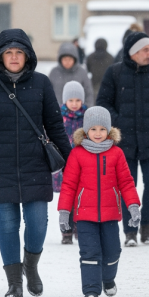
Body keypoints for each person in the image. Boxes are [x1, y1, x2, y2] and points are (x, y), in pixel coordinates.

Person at [0, 28, 72, 297]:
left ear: (27, 56)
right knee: (8, 225)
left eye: (19, 52)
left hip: (35, 164)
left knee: (37, 224)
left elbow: (56, 127)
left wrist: (72, 161)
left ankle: (31, 266)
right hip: (0, 166)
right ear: (0, 56)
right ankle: (14, 283)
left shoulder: (42, 84)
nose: (13, 57)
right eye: (8, 52)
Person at [97, 31, 149, 246]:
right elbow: (103, 102)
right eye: (145, 49)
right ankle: (130, 229)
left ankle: (146, 225)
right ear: (133, 52)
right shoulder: (114, 73)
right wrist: (118, 122)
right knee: (127, 187)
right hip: (124, 142)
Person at [58, 106, 141, 297]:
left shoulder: (117, 154)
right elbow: (68, 184)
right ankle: (91, 290)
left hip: (110, 214)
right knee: (89, 252)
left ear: (109, 130)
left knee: (113, 251)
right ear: (86, 130)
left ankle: (108, 279)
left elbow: (126, 182)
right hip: (84, 215)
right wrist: (64, 211)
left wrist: (133, 205)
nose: (97, 133)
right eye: (93, 129)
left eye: (102, 129)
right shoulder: (77, 154)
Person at [53, 81, 88, 245]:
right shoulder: (58, 117)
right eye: (71, 100)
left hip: (83, 165)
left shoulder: (88, 118)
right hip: (64, 164)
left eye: (77, 101)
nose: (74, 104)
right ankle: (65, 230)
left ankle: (79, 227)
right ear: (65, 101)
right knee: (67, 197)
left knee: (81, 198)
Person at [49, 42, 95, 107]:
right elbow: (48, 93)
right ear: (60, 59)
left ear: (75, 59)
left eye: (70, 59)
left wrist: (87, 108)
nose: (67, 62)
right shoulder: (54, 72)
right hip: (57, 112)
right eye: (65, 59)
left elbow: (88, 93)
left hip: (79, 113)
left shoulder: (82, 72)